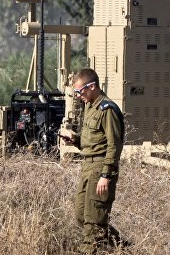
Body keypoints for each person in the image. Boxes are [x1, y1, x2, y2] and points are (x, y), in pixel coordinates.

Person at [61, 68, 126, 254]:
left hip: (100, 169)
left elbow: (114, 145)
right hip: (87, 166)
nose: (78, 95)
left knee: (93, 222)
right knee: (81, 215)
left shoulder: (108, 109)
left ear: (92, 87)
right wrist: (76, 140)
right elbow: (93, 143)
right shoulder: (90, 107)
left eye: (80, 91)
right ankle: (124, 248)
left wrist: (106, 175)